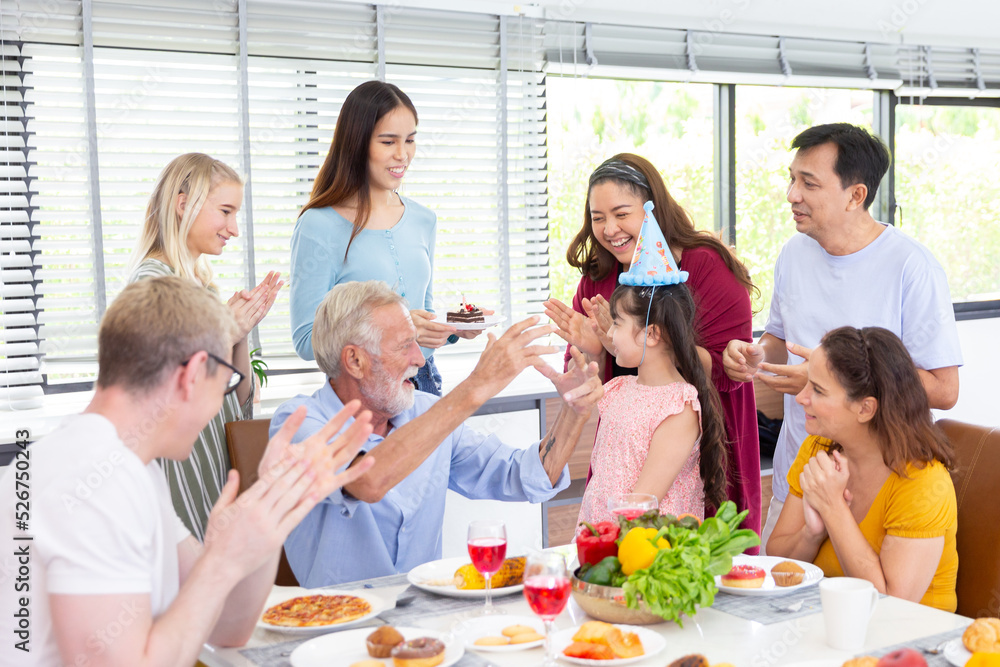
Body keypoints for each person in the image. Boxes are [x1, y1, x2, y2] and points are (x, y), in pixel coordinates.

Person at [0, 276, 374, 666]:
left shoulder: (133, 469)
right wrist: (220, 562)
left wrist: (270, 506)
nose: (219, 406)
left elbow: (226, 627)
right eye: (225, 383)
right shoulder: (94, 478)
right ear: (193, 373)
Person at [270, 280, 604, 586]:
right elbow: (365, 481)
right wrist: (476, 387)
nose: (419, 360)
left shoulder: (426, 410)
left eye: (416, 343)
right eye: (405, 346)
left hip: (426, 621)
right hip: (335, 627)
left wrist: (573, 412)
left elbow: (527, 476)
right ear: (355, 360)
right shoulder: (298, 423)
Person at [722, 123, 962, 549]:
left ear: (856, 195)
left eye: (808, 183)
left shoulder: (912, 267)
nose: (792, 195)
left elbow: (944, 390)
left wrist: (829, 380)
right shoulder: (795, 253)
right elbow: (779, 337)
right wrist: (755, 355)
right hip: (800, 476)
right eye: (792, 179)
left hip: (879, 485)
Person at [546, 153, 760, 536]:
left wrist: (630, 339)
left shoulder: (708, 267)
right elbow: (584, 385)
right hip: (626, 461)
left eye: (621, 213)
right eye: (598, 218)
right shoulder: (599, 276)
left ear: (651, 207)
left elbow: (727, 375)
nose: (609, 229)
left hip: (707, 448)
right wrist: (595, 350)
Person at [289, 80, 483, 397]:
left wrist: (450, 330)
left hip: (423, 384)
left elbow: (423, 310)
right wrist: (399, 330)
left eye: (409, 140)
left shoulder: (424, 220)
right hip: (363, 392)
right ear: (357, 143)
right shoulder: (318, 225)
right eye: (388, 142)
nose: (402, 155)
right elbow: (307, 340)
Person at [129, 152, 283, 541]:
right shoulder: (152, 283)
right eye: (226, 211)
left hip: (213, 464)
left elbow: (239, 399)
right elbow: (166, 385)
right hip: (183, 471)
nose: (233, 228)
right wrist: (222, 331)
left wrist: (242, 332)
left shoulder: (203, 288)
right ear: (183, 204)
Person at [767, 326, 958, 612]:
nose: (801, 398)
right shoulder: (818, 449)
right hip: (832, 625)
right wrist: (812, 534)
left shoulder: (924, 483)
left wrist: (833, 508)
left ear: (865, 409)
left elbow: (889, 605)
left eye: (818, 390)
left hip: (911, 643)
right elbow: (777, 562)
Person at [576, 282, 728, 525]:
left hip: (645, 549)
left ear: (652, 334)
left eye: (617, 323)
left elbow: (642, 505)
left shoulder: (678, 407)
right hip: (603, 539)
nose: (610, 333)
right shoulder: (618, 388)